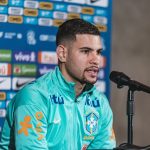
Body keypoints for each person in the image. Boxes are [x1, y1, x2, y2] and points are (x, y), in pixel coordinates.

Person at [0, 18, 116, 149]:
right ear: (62, 54)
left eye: (98, 52)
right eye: (85, 51)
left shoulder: (99, 102)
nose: (96, 60)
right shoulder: (35, 97)